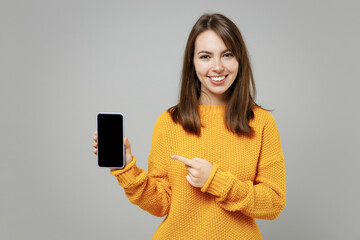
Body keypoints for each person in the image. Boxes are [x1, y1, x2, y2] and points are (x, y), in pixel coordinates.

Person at [93, 13, 286, 240]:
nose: (217, 66)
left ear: (239, 60)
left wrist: (215, 181)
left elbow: (274, 203)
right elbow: (161, 204)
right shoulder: (169, 122)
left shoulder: (261, 122)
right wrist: (127, 169)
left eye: (227, 55)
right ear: (192, 63)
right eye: (205, 56)